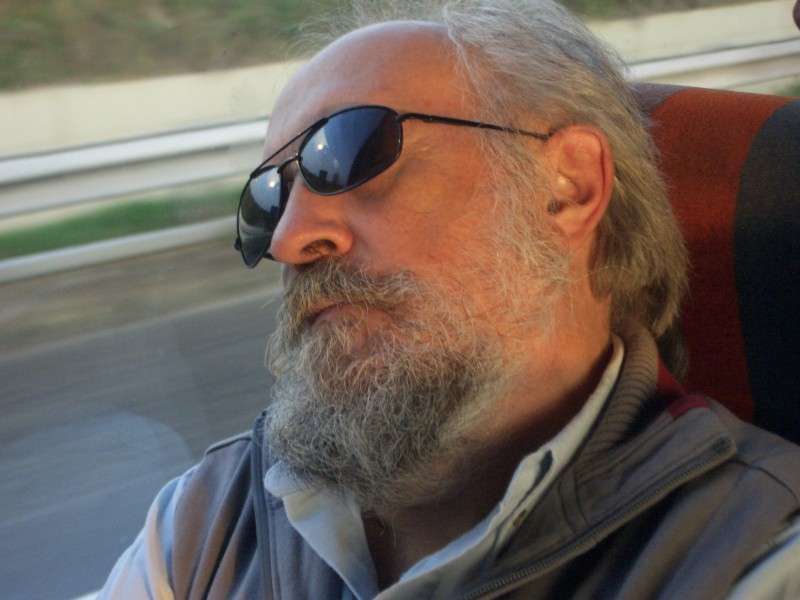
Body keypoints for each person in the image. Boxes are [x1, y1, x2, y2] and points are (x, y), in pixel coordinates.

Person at [99, 1, 800, 598]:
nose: (287, 240)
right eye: (267, 200)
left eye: (347, 152)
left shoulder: (756, 549)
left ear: (569, 186)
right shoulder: (209, 521)